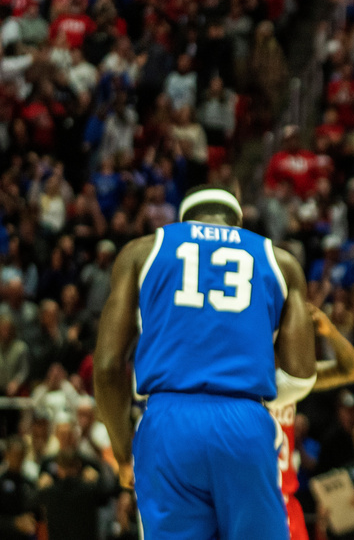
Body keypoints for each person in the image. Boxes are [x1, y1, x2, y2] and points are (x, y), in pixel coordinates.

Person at [94, 185, 317, 539]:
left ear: (184, 219)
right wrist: (255, 402)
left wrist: (123, 453)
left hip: (168, 423)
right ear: (238, 222)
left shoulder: (143, 251)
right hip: (244, 423)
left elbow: (106, 369)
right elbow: (302, 375)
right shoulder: (280, 261)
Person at [272, 306, 354, 540]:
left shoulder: (293, 379)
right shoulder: (243, 378)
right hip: (255, 496)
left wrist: (331, 332)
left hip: (285, 500)